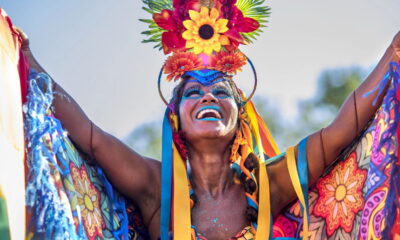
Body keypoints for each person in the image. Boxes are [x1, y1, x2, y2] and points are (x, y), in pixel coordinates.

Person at [17, 2, 400, 239]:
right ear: (176, 117)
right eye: (194, 92)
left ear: (240, 112)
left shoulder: (272, 182)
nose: (208, 97)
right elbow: (92, 138)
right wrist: (26, 59)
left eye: (221, 91)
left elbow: (341, 129)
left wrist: (393, 50)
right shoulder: (155, 187)